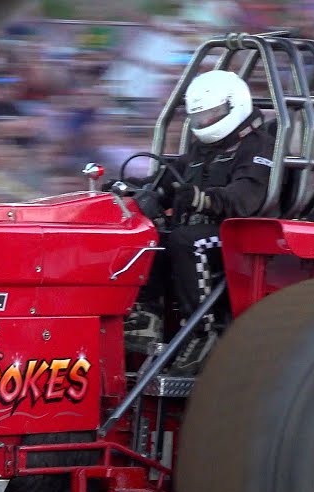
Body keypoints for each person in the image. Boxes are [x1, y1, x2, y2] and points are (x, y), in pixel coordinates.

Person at [116, 70, 276, 370]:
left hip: (244, 233)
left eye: (212, 114)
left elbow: (244, 200)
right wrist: (134, 187)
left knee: (187, 240)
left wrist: (200, 198)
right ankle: (146, 316)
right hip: (204, 228)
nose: (204, 122)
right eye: (199, 116)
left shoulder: (258, 147)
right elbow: (170, 178)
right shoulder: (201, 149)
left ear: (233, 106)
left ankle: (203, 330)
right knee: (153, 236)